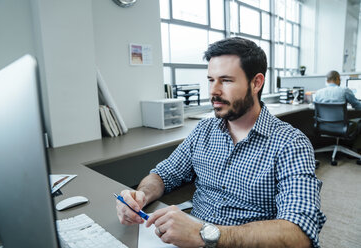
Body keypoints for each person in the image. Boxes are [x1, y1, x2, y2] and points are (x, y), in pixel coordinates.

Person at [116, 37, 326, 248]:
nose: (214, 91)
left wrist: (204, 234)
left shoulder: (291, 144)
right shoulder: (204, 130)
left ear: (256, 83)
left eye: (226, 80)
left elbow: (300, 233)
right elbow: (164, 174)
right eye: (211, 79)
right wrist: (141, 195)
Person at [315, 70, 361, 152]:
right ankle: (356, 149)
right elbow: (358, 106)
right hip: (342, 128)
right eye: (340, 80)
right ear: (337, 79)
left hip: (323, 126)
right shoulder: (345, 90)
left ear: (327, 80)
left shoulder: (318, 93)